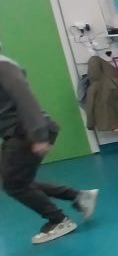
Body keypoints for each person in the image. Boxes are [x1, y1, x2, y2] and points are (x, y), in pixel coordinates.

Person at [1, 53, 98, 244]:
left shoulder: (3, 66)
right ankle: (78, 196)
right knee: (15, 179)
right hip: (18, 132)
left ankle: (59, 220)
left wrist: (38, 135)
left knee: (15, 184)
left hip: (26, 131)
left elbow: (25, 99)